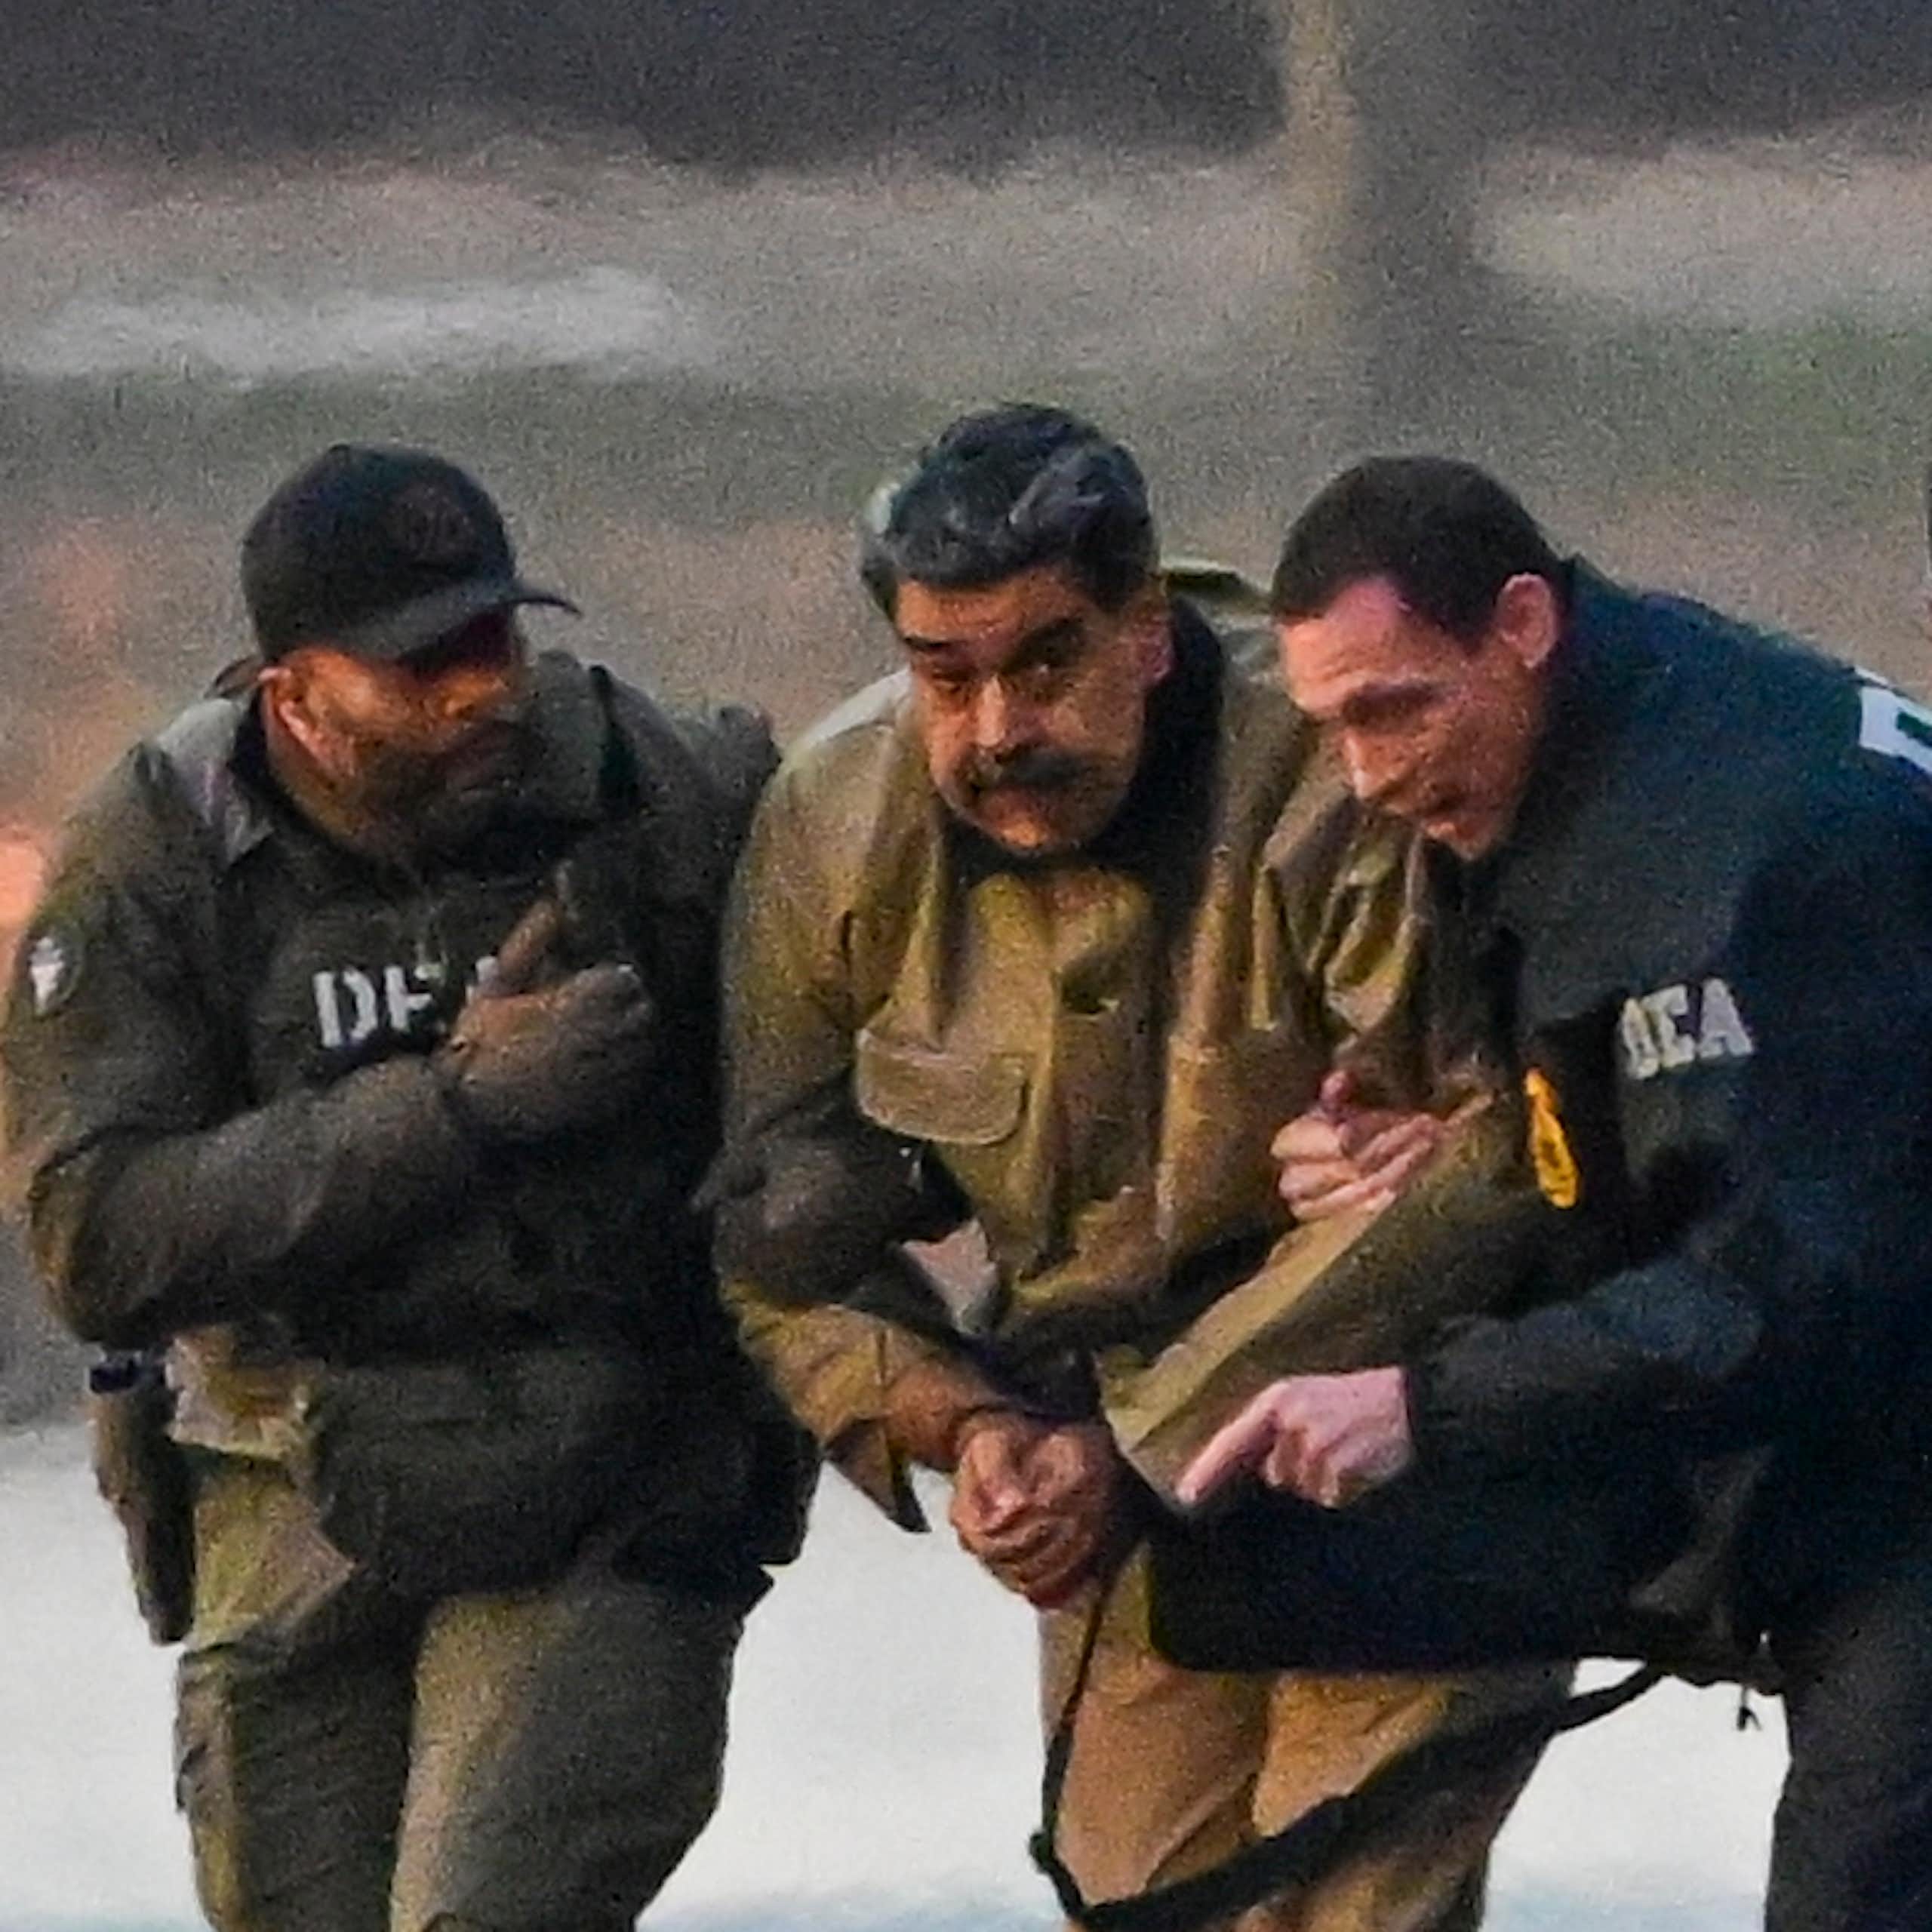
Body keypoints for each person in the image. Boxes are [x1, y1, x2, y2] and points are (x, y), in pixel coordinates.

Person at [715, 405, 1554, 1932]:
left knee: (1347, 1908)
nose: (993, 728)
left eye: (1045, 660)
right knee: (1141, 1901)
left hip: (1403, 1426)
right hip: (1098, 1462)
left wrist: (1139, 1438)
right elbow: (767, 1236)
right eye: (942, 675)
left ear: (1147, 632)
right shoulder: (835, 825)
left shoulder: (1331, 766)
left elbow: (1486, 1166)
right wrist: (965, 1428)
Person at [0, 443, 808, 1932]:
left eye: (495, 638)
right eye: (421, 664)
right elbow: (95, 1235)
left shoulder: (660, 786)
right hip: (288, 1482)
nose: (481, 690)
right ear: (292, 694)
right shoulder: (159, 857)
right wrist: (455, 1108)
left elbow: (854, 994)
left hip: (602, 1470)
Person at [1183, 454, 1932, 1929]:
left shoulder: (1733, 846)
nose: (1367, 772)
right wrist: (1445, 1150)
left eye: (1395, 705)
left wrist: (1420, 1402)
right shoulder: (1596, 727)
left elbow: (1770, 1288)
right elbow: (1648, 1116)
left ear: (1517, 622)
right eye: (1330, 723)